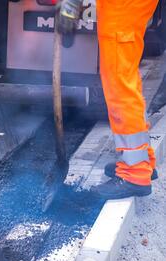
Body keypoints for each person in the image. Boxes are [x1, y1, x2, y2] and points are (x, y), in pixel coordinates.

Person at [57, 0, 159, 199]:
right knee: (124, 78)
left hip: (122, 7)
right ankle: (142, 160)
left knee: (119, 84)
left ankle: (135, 172)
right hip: (122, 7)